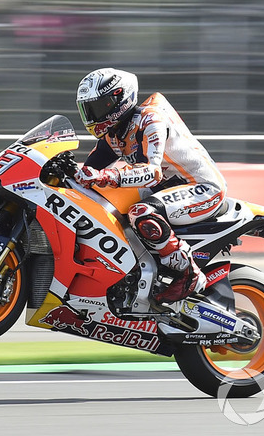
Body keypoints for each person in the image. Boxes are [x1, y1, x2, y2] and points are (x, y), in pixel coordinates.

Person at [74, 67, 227, 303]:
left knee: (140, 212)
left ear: (119, 99)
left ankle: (189, 273)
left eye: (98, 107)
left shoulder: (151, 120)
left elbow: (152, 173)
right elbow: (87, 171)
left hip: (202, 187)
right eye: (88, 109)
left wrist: (107, 176)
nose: (92, 116)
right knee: (100, 200)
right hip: (168, 188)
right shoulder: (114, 133)